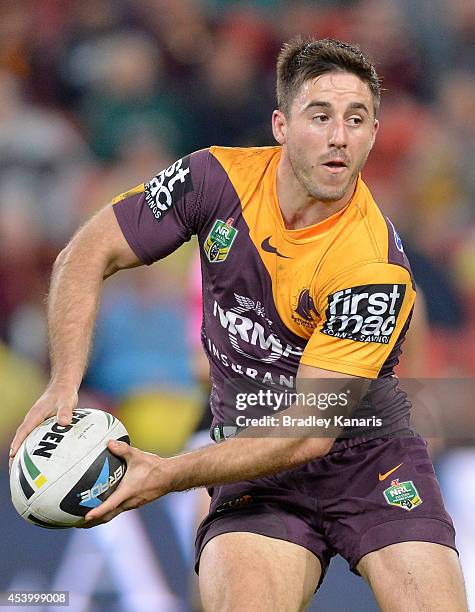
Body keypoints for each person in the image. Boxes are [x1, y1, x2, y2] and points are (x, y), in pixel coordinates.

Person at [10, 38, 468, 611]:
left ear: (373, 135)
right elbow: (86, 253)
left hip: (367, 458)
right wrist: (63, 383)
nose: (338, 136)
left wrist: (168, 473)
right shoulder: (212, 180)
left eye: (357, 120)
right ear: (280, 124)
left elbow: (307, 432)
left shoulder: (372, 265)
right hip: (252, 458)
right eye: (319, 116)